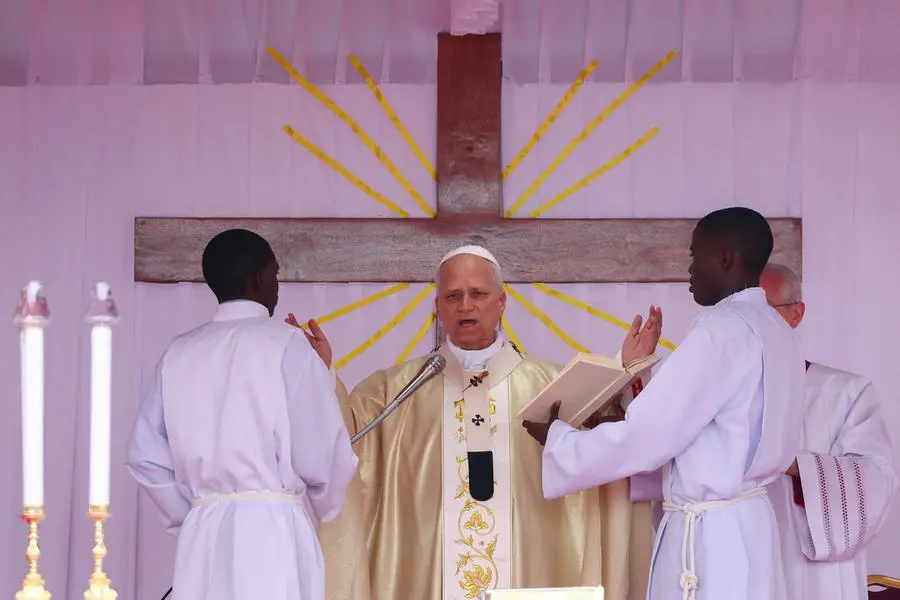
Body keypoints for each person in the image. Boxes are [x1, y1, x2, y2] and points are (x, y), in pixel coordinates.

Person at [303, 244, 663, 600]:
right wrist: (323, 377)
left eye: (477, 293)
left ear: (502, 302)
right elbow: (346, 441)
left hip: (529, 574)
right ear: (438, 307)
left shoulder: (551, 387)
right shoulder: (392, 392)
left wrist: (623, 372)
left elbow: (607, 442)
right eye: (453, 295)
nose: (465, 305)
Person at [523, 206, 808, 600]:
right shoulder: (776, 329)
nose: (688, 268)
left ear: (725, 257)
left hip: (711, 541)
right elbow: (708, 427)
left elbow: (650, 436)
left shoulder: (721, 331)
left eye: (695, 255)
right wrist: (638, 372)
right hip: (752, 528)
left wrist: (560, 441)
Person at [126, 228, 357, 600]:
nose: (277, 286)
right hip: (275, 531)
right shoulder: (288, 346)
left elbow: (144, 457)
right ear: (259, 278)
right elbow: (321, 453)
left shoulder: (178, 353)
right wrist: (326, 507)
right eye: (276, 275)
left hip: (204, 535)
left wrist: (193, 515)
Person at [760, 263, 898, 600]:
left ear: (796, 313)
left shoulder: (846, 392)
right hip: (742, 558)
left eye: (763, 311)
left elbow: (876, 479)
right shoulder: (719, 395)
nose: (751, 325)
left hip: (815, 573)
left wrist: (797, 467)